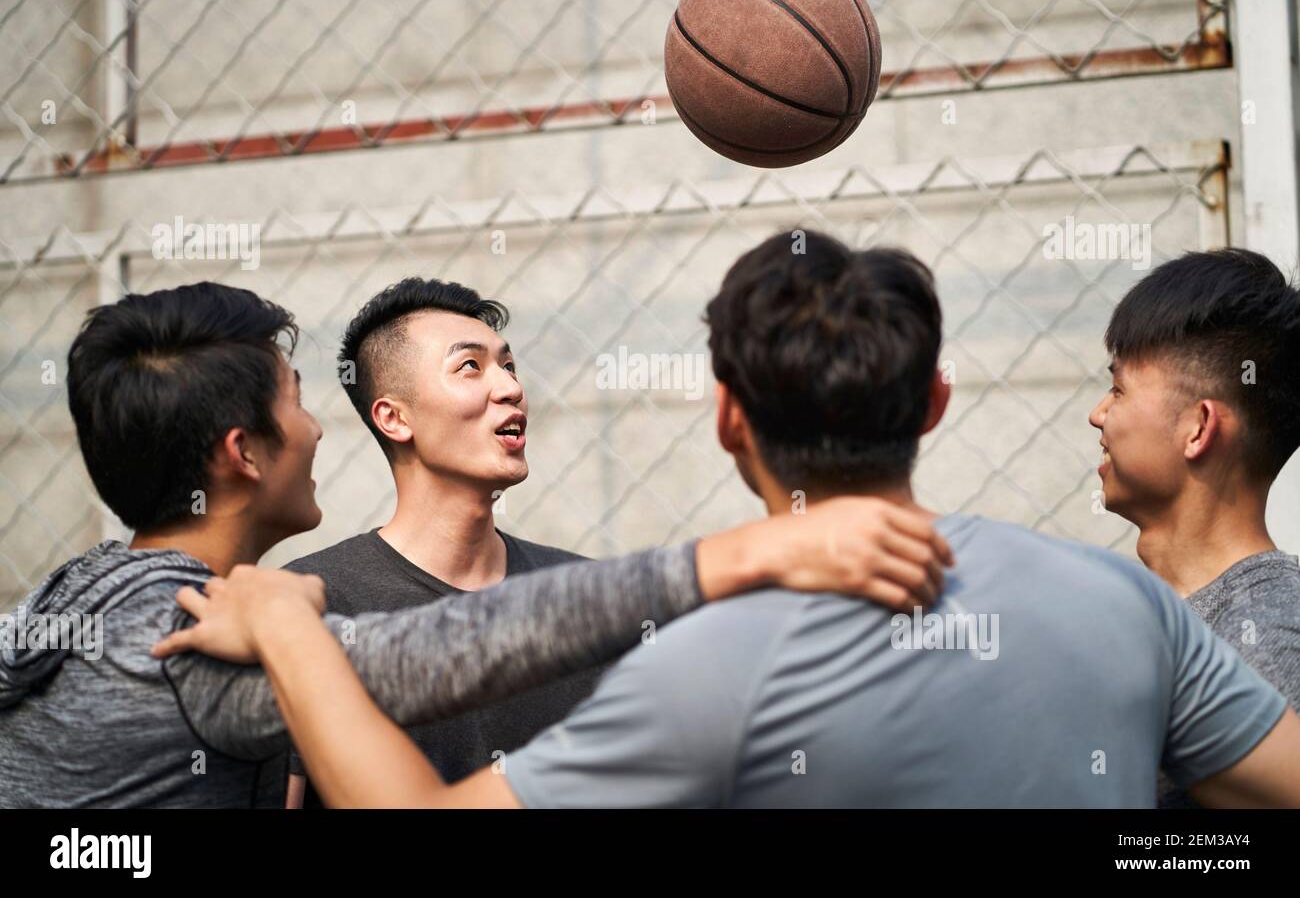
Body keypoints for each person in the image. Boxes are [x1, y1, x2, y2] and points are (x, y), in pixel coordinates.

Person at [163, 232, 1300, 808]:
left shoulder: (718, 660)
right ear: (936, 401)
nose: (507, 388)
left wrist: (290, 630)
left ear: (727, 420)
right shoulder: (1123, 604)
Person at [0, 281, 950, 807]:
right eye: (295, 406)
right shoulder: (191, 636)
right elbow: (443, 651)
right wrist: (744, 556)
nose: (319, 431)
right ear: (241, 453)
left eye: (510, 364)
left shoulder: (81, 601)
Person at [282, 279, 599, 805]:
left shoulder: (586, 597)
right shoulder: (310, 602)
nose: (510, 388)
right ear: (394, 417)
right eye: (470, 367)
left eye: (509, 366)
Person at [1087, 248, 1300, 807]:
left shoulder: (1266, 633)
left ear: (1198, 427)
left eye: (1119, 388)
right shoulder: (1151, 613)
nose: (1097, 414)